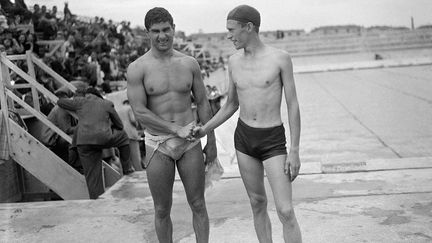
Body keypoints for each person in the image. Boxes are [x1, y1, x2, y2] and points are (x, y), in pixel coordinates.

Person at [192, 5, 302, 243]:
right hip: (244, 139)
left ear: (249, 27)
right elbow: (231, 104)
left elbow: (293, 105)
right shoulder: (233, 62)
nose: (229, 35)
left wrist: (294, 150)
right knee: (257, 202)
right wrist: (205, 128)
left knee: (285, 210)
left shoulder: (280, 59)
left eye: (232, 29)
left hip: (272, 139)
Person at [126, 7, 217, 243]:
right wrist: (175, 129)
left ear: (174, 29)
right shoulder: (138, 68)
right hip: (158, 144)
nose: (162, 36)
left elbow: (204, 103)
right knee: (161, 209)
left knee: (198, 204)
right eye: (156, 31)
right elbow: (140, 111)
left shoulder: (189, 63)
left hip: (190, 143)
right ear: (147, 33)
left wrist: (212, 141)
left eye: (166, 29)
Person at [57, 87, 134, 199]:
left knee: (93, 176)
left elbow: (60, 102)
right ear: (98, 95)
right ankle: (127, 168)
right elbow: (120, 125)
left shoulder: (80, 101)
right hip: (103, 138)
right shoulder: (107, 103)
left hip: (83, 142)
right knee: (123, 136)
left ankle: (96, 200)